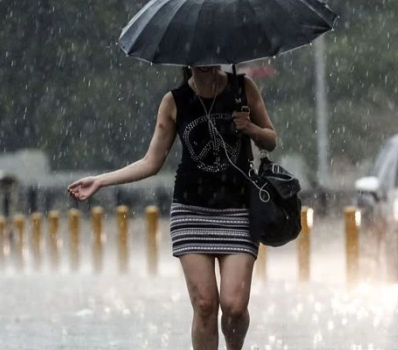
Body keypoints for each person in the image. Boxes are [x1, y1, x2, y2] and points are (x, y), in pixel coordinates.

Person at [68, 66, 277, 350]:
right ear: (187, 60)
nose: (206, 61)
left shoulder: (243, 88)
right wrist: (101, 180)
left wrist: (250, 128)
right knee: (205, 304)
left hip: (238, 209)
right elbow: (151, 162)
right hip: (191, 211)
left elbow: (271, 139)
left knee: (235, 306)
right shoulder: (175, 101)